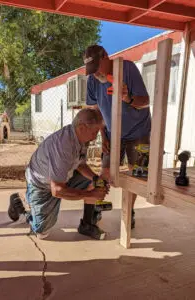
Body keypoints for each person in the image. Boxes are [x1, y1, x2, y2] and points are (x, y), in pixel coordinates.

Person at [8, 108, 109, 240]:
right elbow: (57, 190)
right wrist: (91, 194)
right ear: (82, 127)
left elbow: (80, 164)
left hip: (62, 178)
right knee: (41, 231)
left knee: (93, 183)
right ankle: (20, 203)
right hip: (42, 184)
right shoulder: (63, 145)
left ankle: (87, 223)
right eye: (95, 132)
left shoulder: (81, 137)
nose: (96, 137)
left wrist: (96, 179)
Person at [84, 45, 151, 228]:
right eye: (91, 70)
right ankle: (94, 212)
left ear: (106, 57)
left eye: (97, 68)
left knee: (135, 175)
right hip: (111, 133)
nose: (95, 73)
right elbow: (95, 110)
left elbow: (145, 101)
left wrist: (127, 97)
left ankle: (129, 211)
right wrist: (103, 136)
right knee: (105, 172)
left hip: (138, 131)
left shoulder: (128, 69)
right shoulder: (92, 80)